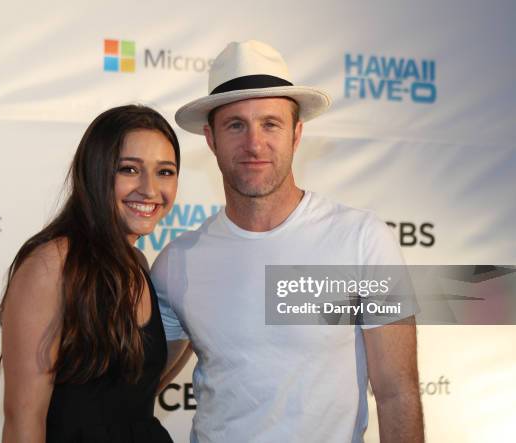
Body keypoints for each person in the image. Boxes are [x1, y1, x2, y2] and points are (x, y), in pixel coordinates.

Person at [152, 41, 424, 442]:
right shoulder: (178, 262)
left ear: (297, 134)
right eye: (235, 125)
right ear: (210, 139)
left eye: (270, 123)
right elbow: (132, 387)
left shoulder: (362, 239)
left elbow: (397, 394)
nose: (254, 143)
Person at [0, 105, 179, 442]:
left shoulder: (137, 263)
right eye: (129, 169)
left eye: (165, 172)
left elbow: (130, 392)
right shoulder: (52, 265)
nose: (150, 189)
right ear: (94, 172)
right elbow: (23, 421)